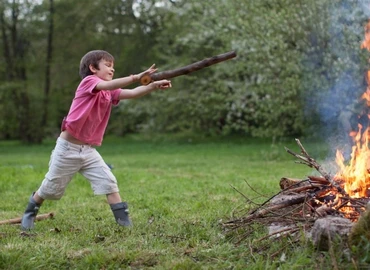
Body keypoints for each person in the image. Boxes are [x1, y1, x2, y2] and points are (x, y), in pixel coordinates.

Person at [21, 50, 172, 230]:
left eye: (113, 67)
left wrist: (152, 86)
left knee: (108, 182)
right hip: (67, 149)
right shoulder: (88, 83)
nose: (112, 69)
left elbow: (131, 93)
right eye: (108, 65)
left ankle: (125, 224)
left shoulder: (109, 91)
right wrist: (136, 76)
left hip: (88, 150)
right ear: (93, 68)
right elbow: (113, 85)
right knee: (51, 188)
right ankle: (30, 212)